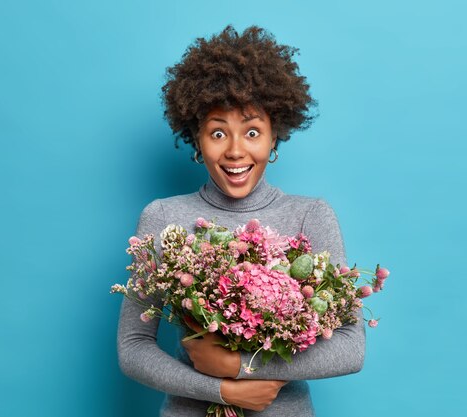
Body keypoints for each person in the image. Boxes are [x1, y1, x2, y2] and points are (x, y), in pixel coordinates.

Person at [117, 24, 366, 417]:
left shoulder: (310, 215)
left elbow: (351, 347)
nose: (235, 151)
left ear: (274, 137)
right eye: (218, 133)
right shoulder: (163, 218)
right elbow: (133, 348)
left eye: (252, 131)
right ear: (197, 138)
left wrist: (241, 367)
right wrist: (220, 391)